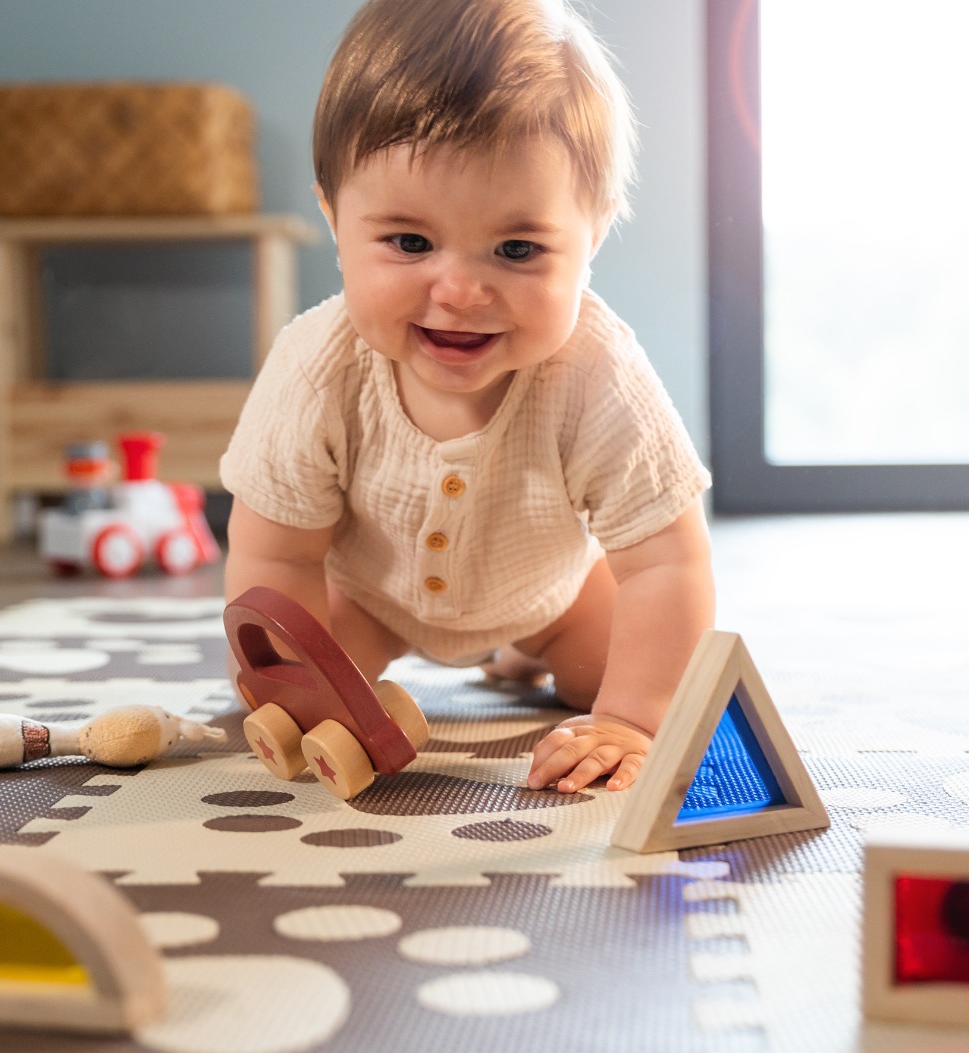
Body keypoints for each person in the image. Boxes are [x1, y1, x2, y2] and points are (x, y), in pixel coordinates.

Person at [219, 0, 713, 794]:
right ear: (335, 219)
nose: (458, 292)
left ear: (592, 236)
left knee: (618, 674)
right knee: (303, 680)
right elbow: (279, 555)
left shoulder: (595, 372)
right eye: (410, 242)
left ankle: (521, 654)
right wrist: (297, 687)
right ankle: (409, 667)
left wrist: (636, 720)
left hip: (553, 598)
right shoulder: (316, 367)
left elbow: (667, 560)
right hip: (368, 600)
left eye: (516, 249)